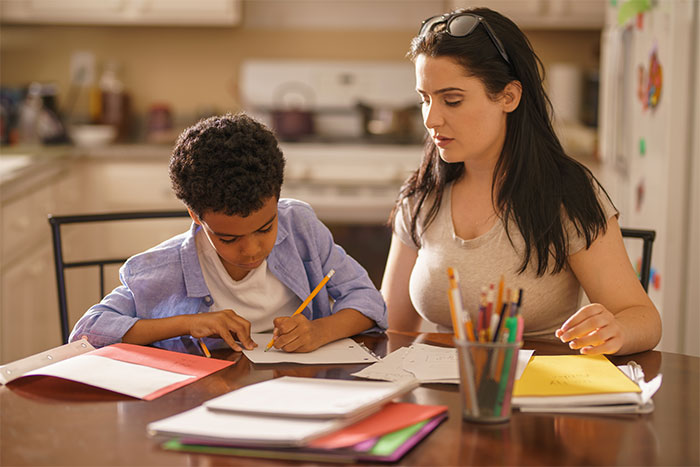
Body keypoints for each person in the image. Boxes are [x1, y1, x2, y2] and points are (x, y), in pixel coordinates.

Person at [381, 7, 661, 355]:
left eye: (452, 100)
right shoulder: (422, 194)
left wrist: (616, 329)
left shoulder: (565, 193)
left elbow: (644, 318)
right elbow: (392, 327)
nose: (431, 118)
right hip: (440, 402)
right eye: (424, 99)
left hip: (533, 399)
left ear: (509, 97)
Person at [70, 113, 386, 353]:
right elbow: (87, 333)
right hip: (202, 404)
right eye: (228, 238)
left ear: (277, 197)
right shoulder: (161, 270)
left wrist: (319, 331)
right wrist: (188, 324)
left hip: (300, 393)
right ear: (196, 215)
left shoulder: (300, 227)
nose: (251, 250)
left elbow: (368, 300)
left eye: (265, 227)